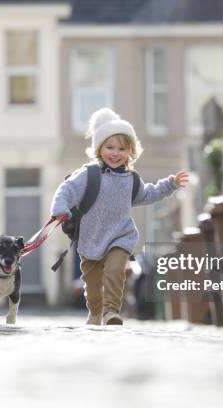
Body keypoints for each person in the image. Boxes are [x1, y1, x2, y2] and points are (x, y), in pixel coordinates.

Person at [50, 107, 189, 325]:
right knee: (93, 286)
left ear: (131, 152)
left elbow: (148, 194)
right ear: (99, 149)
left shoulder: (131, 179)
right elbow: (66, 190)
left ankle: (111, 312)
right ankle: (96, 312)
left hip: (121, 236)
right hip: (91, 238)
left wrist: (169, 184)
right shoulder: (88, 174)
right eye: (110, 147)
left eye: (122, 149)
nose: (115, 153)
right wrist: (60, 208)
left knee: (115, 271)